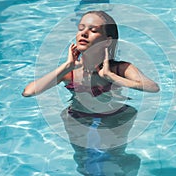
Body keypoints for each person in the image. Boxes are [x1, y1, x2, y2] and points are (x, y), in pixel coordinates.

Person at [22, 10, 160, 175]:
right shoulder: (71, 71)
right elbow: (29, 92)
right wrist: (66, 66)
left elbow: (152, 87)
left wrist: (111, 77)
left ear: (108, 41)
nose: (84, 33)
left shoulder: (120, 68)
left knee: (116, 156)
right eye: (81, 28)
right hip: (79, 116)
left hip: (114, 117)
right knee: (81, 158)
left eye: (93, 30)